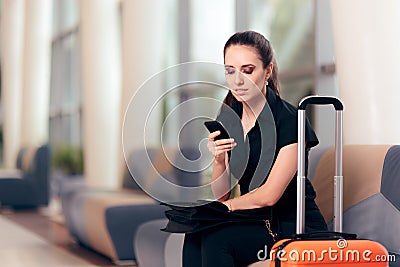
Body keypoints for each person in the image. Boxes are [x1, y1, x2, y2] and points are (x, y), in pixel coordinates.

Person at [182, 31, 327, 267]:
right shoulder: (230, 117)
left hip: (293, 226)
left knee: (217, 238)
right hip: (256, 221)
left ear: (267, 71)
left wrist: (221, 209)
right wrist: (219, 160)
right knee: (195, 232)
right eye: (230, 71)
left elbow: (269, 195)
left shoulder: (290, 120)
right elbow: (223, 194)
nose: (237, 81)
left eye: (247, 70)